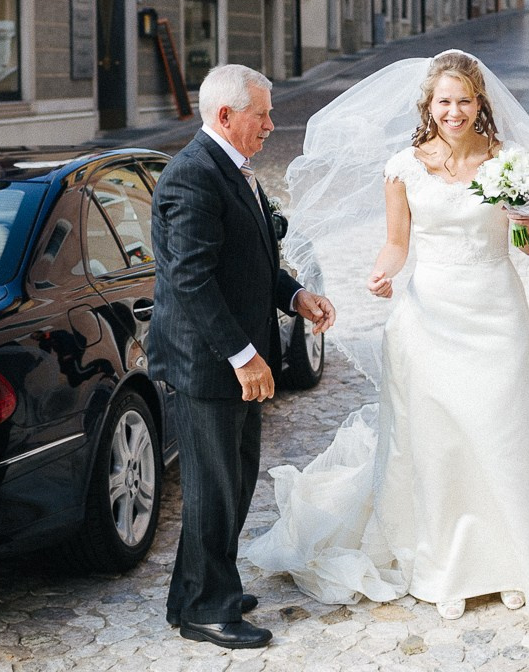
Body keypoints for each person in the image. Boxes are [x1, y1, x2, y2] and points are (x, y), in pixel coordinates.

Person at [245, 51, 529, 625]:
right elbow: (397, 243)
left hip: (496, 314)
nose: (454, 111)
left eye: (464, 100)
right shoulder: (402, 166)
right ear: (428, 106)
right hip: (428, 318)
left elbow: (527, 245)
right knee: (440, 444)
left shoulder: (508, 161)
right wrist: (382, 271)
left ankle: (509, 562)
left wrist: (521, 212)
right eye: (444, 101)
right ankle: (446, 568)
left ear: (480, 104)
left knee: (502, 436)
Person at [149, 64, 336, 650]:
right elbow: (192, 279)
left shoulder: (233, 169)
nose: (271, 126)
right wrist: (243, 355)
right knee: (213, 488)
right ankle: (208, 609)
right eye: (262, 115)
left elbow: (251, 261)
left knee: (233, 479)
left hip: (235, 358)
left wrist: (294, 294)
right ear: (226, 116)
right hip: (207, 364)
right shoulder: (192, 177)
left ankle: (200, 592)